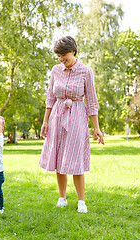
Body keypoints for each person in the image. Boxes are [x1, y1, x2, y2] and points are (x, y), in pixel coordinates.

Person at [39, 36, 104, 213]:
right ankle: (62, 198)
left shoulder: (86, 71)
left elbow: (91, 101)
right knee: (59, 158)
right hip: (57, 116)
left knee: (75, 160)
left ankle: (81, 201)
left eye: (64, 55)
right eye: (58, 56)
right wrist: (45, 121)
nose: (61, 59)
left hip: (76, 116)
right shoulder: (55, 70)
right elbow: (50, 98)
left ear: (73, 51)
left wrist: (96, 127)